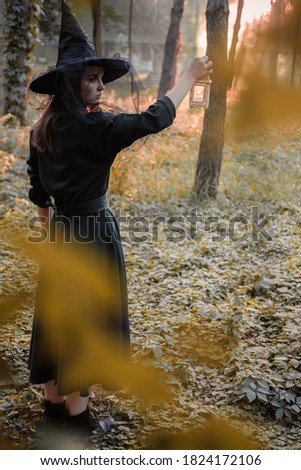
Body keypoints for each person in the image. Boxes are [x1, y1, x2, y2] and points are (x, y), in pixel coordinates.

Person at [27, 0, 213, 435]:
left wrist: (47, 226)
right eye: (91, 79)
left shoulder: (44, 129)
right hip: (92, 235)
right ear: (72, 84)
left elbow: (37, 186)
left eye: (100, 79)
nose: (100, 86)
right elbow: (156, 118)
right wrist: (187, 75)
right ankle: (79, 420)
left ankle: (54, 404)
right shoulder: (95, 130)